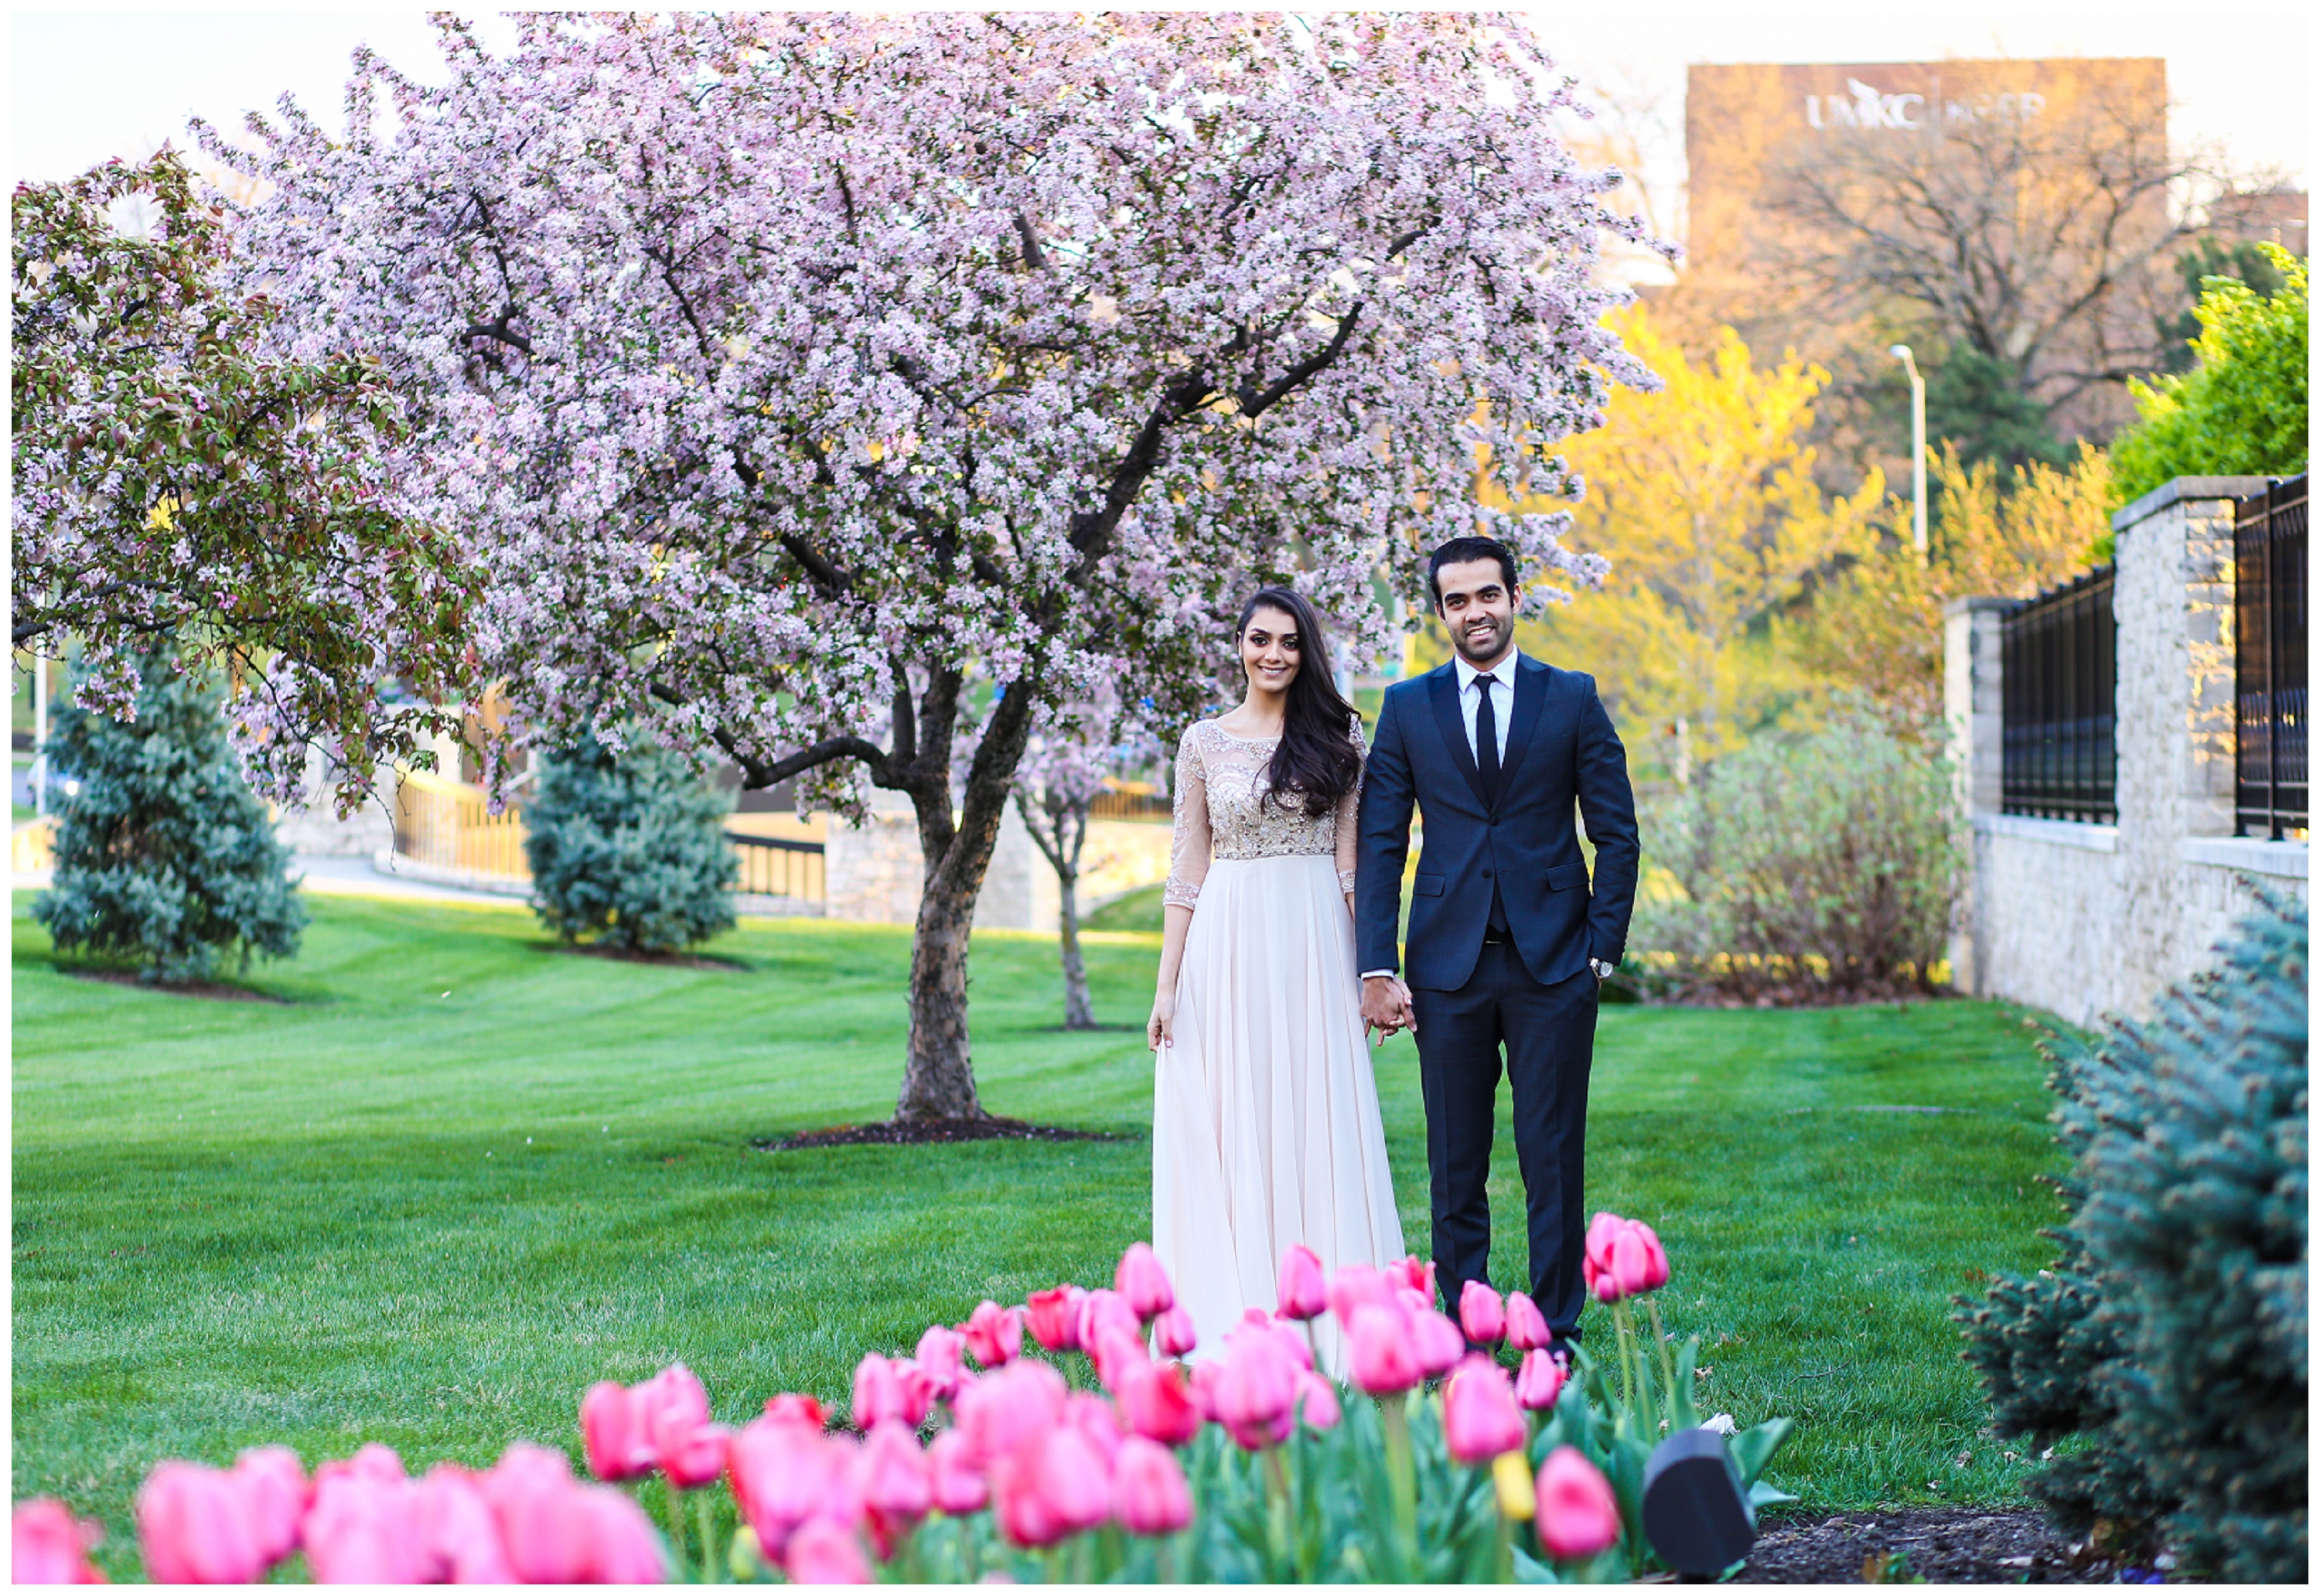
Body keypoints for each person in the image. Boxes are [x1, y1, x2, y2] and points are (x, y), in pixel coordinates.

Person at [1355, 535, 1639, 1350]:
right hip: (1446, 969)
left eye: (1488, 594)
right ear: (1439, 612)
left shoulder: (1572, 698)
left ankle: (1556, 1333)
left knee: (1551, 1157)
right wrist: (1379, 964)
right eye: (1457, 600)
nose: (1474, 611)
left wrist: (1602, 948)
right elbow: (1380, 841)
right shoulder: (1409, 708)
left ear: (1516, 598)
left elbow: (1616, 832)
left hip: (1556, 965)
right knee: (1455, 1163)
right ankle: (1467, 1336)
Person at [1148, 587, 1406, 1369]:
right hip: (1224, 943)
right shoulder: (1201, 742)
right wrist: (1167, 985)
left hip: (1312, 938)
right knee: (1229, 1117)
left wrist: (1373, 967)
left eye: (1289, 643)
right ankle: (1234, 1312)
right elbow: (1187, 864)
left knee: (1315, 1110)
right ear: (1238, 644)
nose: (1273, 654)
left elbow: (1352, 861)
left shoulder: (1339, 736)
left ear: (1306, 653)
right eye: (1260, 639)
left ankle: (1329, 1318)